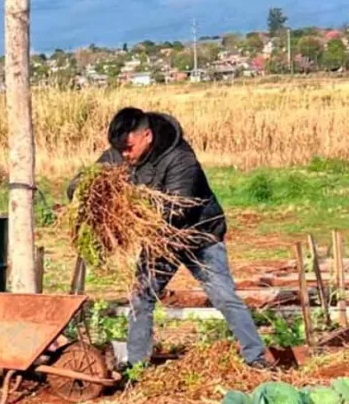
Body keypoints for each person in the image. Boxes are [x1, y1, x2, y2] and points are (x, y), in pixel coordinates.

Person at [68, 108, 270, 371]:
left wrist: (130, 214)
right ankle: (136, 365)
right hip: (159, 240)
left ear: (147, 136)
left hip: (199, 236)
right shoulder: (119, 153)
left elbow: (178, 210)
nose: (125, 156)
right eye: (120, 150)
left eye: (129, 148)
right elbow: (84, 181)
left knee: (223, 296)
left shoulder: (181, 159)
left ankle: (256, 357)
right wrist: (81, 191)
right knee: (141, 297)